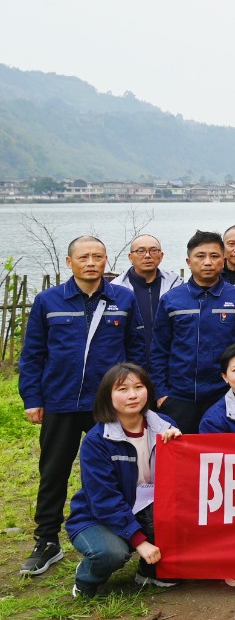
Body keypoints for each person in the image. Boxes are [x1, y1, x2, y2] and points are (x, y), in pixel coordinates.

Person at [18, 235, 145, 576]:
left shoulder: (123, 299)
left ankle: (122, 532)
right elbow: (33, 354)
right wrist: (33, 398)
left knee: (120, 470)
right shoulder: (48, 300)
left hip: (107, 405)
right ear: (69, 262)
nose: (91, 262)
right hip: (60, 401)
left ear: (106, 261)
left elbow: (135, 351)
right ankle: (47, 540)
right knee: (54, 471)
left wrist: (134, 396)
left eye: (98, 256)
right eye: (84, 257)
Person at [65, 364, 179, 597]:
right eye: (123, 389)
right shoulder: (97, 440)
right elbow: (104, 499)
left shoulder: (165, 426)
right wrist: (139, 541)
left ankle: (148, 571)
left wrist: (180, 445)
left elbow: (182, 480)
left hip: (149, 512)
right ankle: (86, 578)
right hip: (99, 517)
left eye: (139, 387)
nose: (133, 395)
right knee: (111, 553)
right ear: (107, 396)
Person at [150, 231, 235, 434]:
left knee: (223, 451)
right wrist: (161, 394)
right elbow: (159, 350)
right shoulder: (171, 300)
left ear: (224, 259)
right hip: (179, 397)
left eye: (214, 256)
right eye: (200, 256)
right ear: (188, 261)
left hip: (226, 395)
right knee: (181, 451)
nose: (208, 262)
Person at [114, 233, 180, 362]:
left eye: (153, 250)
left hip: (168, 361)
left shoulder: (176, 285)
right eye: (141, 251)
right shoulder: (117, 289)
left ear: (161, 256)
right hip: (130, 362)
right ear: (130, 257)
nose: (148, 255)